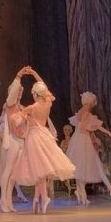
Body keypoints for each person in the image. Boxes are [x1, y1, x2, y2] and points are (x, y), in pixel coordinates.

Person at [13, 71, 75, 214]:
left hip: (35, 138)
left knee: (39, 170)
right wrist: (34, 73)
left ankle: (44, 197)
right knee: (39, 170)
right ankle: (37, 198)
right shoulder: (48, 102)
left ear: (35, 93)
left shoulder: (33, 107)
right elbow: (45, 88)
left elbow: (17, 121)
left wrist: (18, 113)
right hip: (45, 136)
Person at [66, 92, 111, 205]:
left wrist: (105, 132)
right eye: (91, 102)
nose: (92, 105)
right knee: (86, 165)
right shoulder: (85, 112)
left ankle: (81, 193)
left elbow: (87, 125)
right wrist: (106, 133)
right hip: (83, 140)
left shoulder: (82, 112)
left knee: (80, 166)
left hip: (77, 139)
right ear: (89, 102)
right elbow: (87, 127)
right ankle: (83, 195)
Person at [0, 67, 30, 213]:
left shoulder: (20, 107)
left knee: (14, 174)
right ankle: (3, 199)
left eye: (21, 92)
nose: (19, 93)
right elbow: (12, 94)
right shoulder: (10, 104)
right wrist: (18, 76)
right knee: (8, 170)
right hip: (12, 139)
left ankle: (9, 201)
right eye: (18, 91)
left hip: (21, 140)